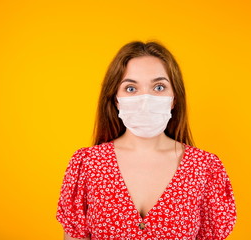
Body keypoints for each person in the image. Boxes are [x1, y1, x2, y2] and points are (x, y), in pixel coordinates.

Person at [56, 40, 237, 240]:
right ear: (116, 99)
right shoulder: (87, 164)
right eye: (131, 88)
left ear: (174, 98)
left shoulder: (205, 168)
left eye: (159, 87)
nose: (145, 99)